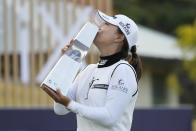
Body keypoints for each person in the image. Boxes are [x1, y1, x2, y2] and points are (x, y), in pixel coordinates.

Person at [41, 10, 142, 131]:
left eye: (107, 24)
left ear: (119, 37)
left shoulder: (123, 70)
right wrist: (68, 63)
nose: (100, 26)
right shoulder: (88, 70)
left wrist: (70, 104)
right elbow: (60, 109)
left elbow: (110, 117)